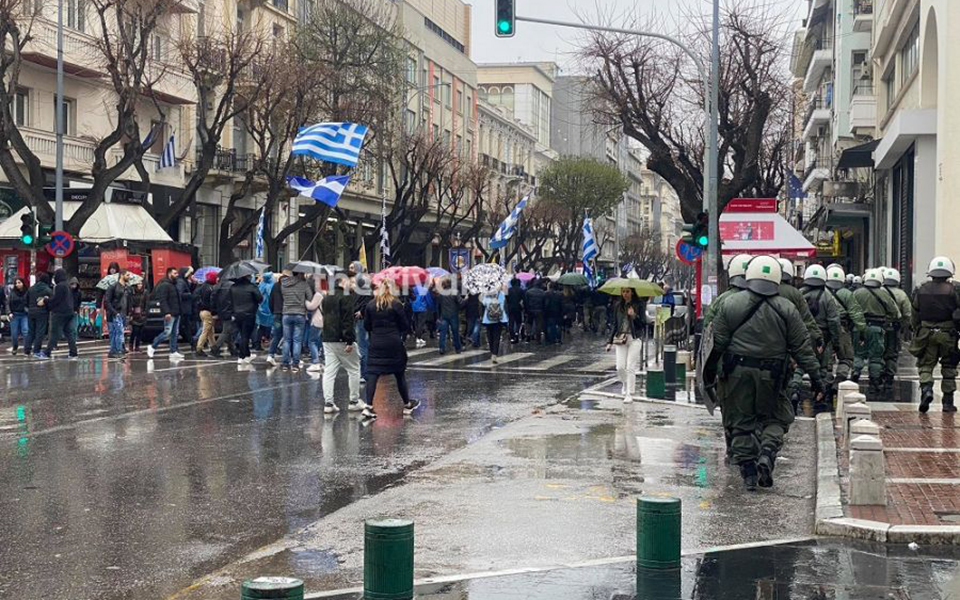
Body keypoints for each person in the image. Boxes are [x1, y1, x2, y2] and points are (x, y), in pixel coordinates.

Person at [704, 255, 824, 491]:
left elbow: (715, 345)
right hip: (773, 374)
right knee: (777, 417)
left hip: (736, 373)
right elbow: (802, 348)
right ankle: (767, 453)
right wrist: (817, 379)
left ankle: (748, 472)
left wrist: (710, 377)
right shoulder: (787, 308)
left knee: (740, 421)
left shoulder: (730, 304)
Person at [361, 280, 419, 420]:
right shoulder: (396, 304)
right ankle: (407, 404)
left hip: (376, 342)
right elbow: (404, 325)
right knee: (399, 374)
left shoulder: (371, 305)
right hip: (393, 342)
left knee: (373, 374)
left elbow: (366, 325)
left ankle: (368, 406)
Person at [787, 265, 841, 413]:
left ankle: (794, 391)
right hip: (822, 337)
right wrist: (836, 342)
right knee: (822, 368)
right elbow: (834, 321)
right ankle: (819, 394)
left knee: (799, 365)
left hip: (801, 333)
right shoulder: (828, 297)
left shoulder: (799, 294)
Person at [911, 257, 960, 413]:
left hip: (926, 333)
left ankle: (926, 390)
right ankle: (947, 402)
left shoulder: (920, 289)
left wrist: (917, 330)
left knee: (925, 365)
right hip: (948, 334)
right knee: (949, 367)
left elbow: (914, 314)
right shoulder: (955, 289)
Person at [852, 269, 901, 396]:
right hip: (876, 328)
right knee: (875, 357)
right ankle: (874, 383)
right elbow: (894, 312)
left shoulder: (857, 293)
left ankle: (855, 373)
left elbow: (849, 309)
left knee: (858, 354)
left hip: (859, 328)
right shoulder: (884, 294)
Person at [322, 276, 362, 413]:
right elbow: (347, 320)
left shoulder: (327, 297)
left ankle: (328, 403)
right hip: (342, 338)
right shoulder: (346, 297)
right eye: (349, 281)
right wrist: (349, 340)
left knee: (329, 371)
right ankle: (354, 401)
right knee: (354, 369)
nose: (351, 284)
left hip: (327, 337)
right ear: (342, 282)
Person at [825, 265, 866, 388]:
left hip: (825, 329)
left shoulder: (823, 292)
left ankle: (826, 381)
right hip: (842, 329)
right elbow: (856, 313)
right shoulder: (847, 294)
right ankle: (839, 380)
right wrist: (862, 331)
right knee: (846, 358)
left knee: (826, 360)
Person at [606, 287, 645, 403]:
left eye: (627, 291)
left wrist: (634, 316)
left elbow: (643, 323)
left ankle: (629, 393)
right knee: (620, 367)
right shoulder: (618, 306)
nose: (625, 294)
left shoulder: (639, 304)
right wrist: (609, 341)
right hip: (621, 339)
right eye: (623, 291)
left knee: (630, 367)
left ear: (632, 292)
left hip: (634, 338)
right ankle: (625, 383)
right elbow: (615, 324)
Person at [881, 268, 913, 392]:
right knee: (892, 353)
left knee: (878, 352)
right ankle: (889, 377)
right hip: (894, 328)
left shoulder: (878, 291)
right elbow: (907, 314)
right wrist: (905, 327)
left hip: (880, 326)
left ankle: (878, 375)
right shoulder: (902, 294)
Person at [147, 267, 184, 359]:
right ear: (169, 274)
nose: (177, 275)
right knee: (167, 332)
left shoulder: (173, 285)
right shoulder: (165, 285)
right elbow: (162, 300)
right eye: (175, 273)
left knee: (175, 333)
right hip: (170, 313)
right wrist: (167, 312)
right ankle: (153, 346)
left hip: (176, 312)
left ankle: (173, 351)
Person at [42, 268, 79, 359]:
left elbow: (56, 299)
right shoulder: (67, 285)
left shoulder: (59, 286)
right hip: (69, 312)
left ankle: (47, 352)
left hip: (60, 313)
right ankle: (73, 352)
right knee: (69, 333)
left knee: (54, 333)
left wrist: (46, 301)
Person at [280, 270, 311, 372]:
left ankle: (285, 364)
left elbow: (283, 296)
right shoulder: (304, 284)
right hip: (299, 314)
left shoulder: (284, 283)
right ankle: (295, 364)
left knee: (287, 340)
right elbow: (310, 297)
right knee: (297, 340)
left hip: (286, 313)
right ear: (300, 273)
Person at [230, 274, 263, 364]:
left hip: (237, 314)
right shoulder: (251, 287)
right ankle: (242, 356)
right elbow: (260, 298)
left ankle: (247, 354)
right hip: (249, 313)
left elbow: (230, 300)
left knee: (242, 333)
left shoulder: (233, 287)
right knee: (245, 335)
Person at [348, 262, 372, 382]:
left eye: (352, 267)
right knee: (359, 345)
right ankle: (362, 372)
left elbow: (368, 299)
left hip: (361, 318)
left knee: (362, 345)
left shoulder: (362, 281)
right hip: (355, 317)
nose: (350, 269)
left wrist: (362, 311)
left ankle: (364, 373)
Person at [104, 270, 131, 358]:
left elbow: (128, 301)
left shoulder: (127, 288)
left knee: (118, 332)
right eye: (127, 275)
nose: (129, 277)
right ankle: (117, 350)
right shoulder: (113, 287)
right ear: (122, 275)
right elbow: (107, 301)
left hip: (122, 313)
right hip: (115, 313)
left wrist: (128, 313)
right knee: (117, 332)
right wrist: (115, 312)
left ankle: (114, 350)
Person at [209, 276, 237, 358]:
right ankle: (215, 349)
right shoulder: (232, 285)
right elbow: (234, 299)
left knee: (228, 331)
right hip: (229, 311)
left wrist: (214, 311)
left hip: (220, 311)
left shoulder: (216, 286)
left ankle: (233, 349)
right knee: (226, 331)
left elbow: (212, 299)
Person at [26, 273, 52, 357]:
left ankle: (27, 349)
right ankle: (36, 350)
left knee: (31, 331)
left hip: (31, 312)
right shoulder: (48, 290)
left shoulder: (31, 289)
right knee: (40, 332)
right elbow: (50, 303)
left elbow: (26, 300)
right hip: (42, 313)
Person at [481, 287, 508, 364]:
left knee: (490, 336)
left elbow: (484, 304)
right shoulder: (501, 294)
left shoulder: (486, 294)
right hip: (499, 318)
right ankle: (494, 354)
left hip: (488, 318)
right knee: (497, 336)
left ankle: (492, 351)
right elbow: (504, 305)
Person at [435, 279, 462, 354]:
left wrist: (438, 316)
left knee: (443, 333)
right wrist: (466, 299)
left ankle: (442, 348)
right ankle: (457, 348)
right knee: (455, 332)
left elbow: (438, 305)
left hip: (444, 315)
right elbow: (461, 303)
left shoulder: (441, 294)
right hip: (453, 314)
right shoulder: (455, 292)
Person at [195, 271, 219, 357]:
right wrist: (214, 312)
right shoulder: (210, 288)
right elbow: (211, 302)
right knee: (206, 331)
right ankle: (199, 348)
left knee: (210, 331)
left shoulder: (202, 287)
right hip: (208, 311)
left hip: (202, 311)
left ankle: (214, 347)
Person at [305, 276, 325, 372]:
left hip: (317, 320)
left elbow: (311, 306)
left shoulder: (318, 295)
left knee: (312, 342)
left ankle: (316, 362)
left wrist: (305, 301)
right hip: (322, 321)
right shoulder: (324, 293)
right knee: (320, 342)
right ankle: (323, 362)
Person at [266, 272, 285, 365]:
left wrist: (273, 311)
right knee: (288, 336)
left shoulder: (275, 286)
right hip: (285, 314)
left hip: (276, 315)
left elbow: (270, 300)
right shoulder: (288, 287)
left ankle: (270, 355)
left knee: (276, 335)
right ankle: (288, 357)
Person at [176, 267, 196, 352]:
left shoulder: (184, 281)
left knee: (185, 327)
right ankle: (192, 343)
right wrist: (190, 295)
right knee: (182, 327)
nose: (191, 275)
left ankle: (192, 343)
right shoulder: (181, 282)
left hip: (185, 308)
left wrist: (194, 284)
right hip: (183, 309)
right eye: (190, 273)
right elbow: (180, 294)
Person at [7, 277, 29, 355]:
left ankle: (26, 349)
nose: (17, 284)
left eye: (19, 282)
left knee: (25, 331)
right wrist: (9, 312)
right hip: (14, 315)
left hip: (24, 314)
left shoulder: (27, 292)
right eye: (16, 283)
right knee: (14, 333)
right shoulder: (12, 293)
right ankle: (15, 346)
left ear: (23, 283)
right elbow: (8, 303)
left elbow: (30, 302)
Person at [411, 283, 436, 347]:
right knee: (421, 323)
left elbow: (411, 299)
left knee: (416, 323)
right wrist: (432, 308)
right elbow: (428, 300)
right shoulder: (424, 290)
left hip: (414, 308)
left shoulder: (413, 289)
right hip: (422, 308)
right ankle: (419, 337)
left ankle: (417, 336)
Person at [256, 272, 276, 352]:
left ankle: (258, 343)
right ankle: (273, 343)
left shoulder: (261, 285)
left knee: (261, 327)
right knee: (274, 326)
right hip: (270, 308)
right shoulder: (272, 286)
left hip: (261, 309)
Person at [128, 280, 148, 352]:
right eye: (138, 284)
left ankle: (137, 346)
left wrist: (145, 312)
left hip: (142, 314)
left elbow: (146, 303)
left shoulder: (145, 292)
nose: (140, 285)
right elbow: (130, 303)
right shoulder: (132, 293)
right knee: (135, 330)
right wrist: (131, 312)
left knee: (140, 331)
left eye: (141, 284)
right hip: (134, 314)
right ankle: (131, 344)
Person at [506, 278, 525, 343]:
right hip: (518, 308)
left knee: (511, 322)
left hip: (510, 308)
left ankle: (512, 336)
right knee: (518, 322)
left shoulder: (508, 290)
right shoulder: (521, 290)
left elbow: (506, 300)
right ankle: (517, 333)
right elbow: (523, 300)